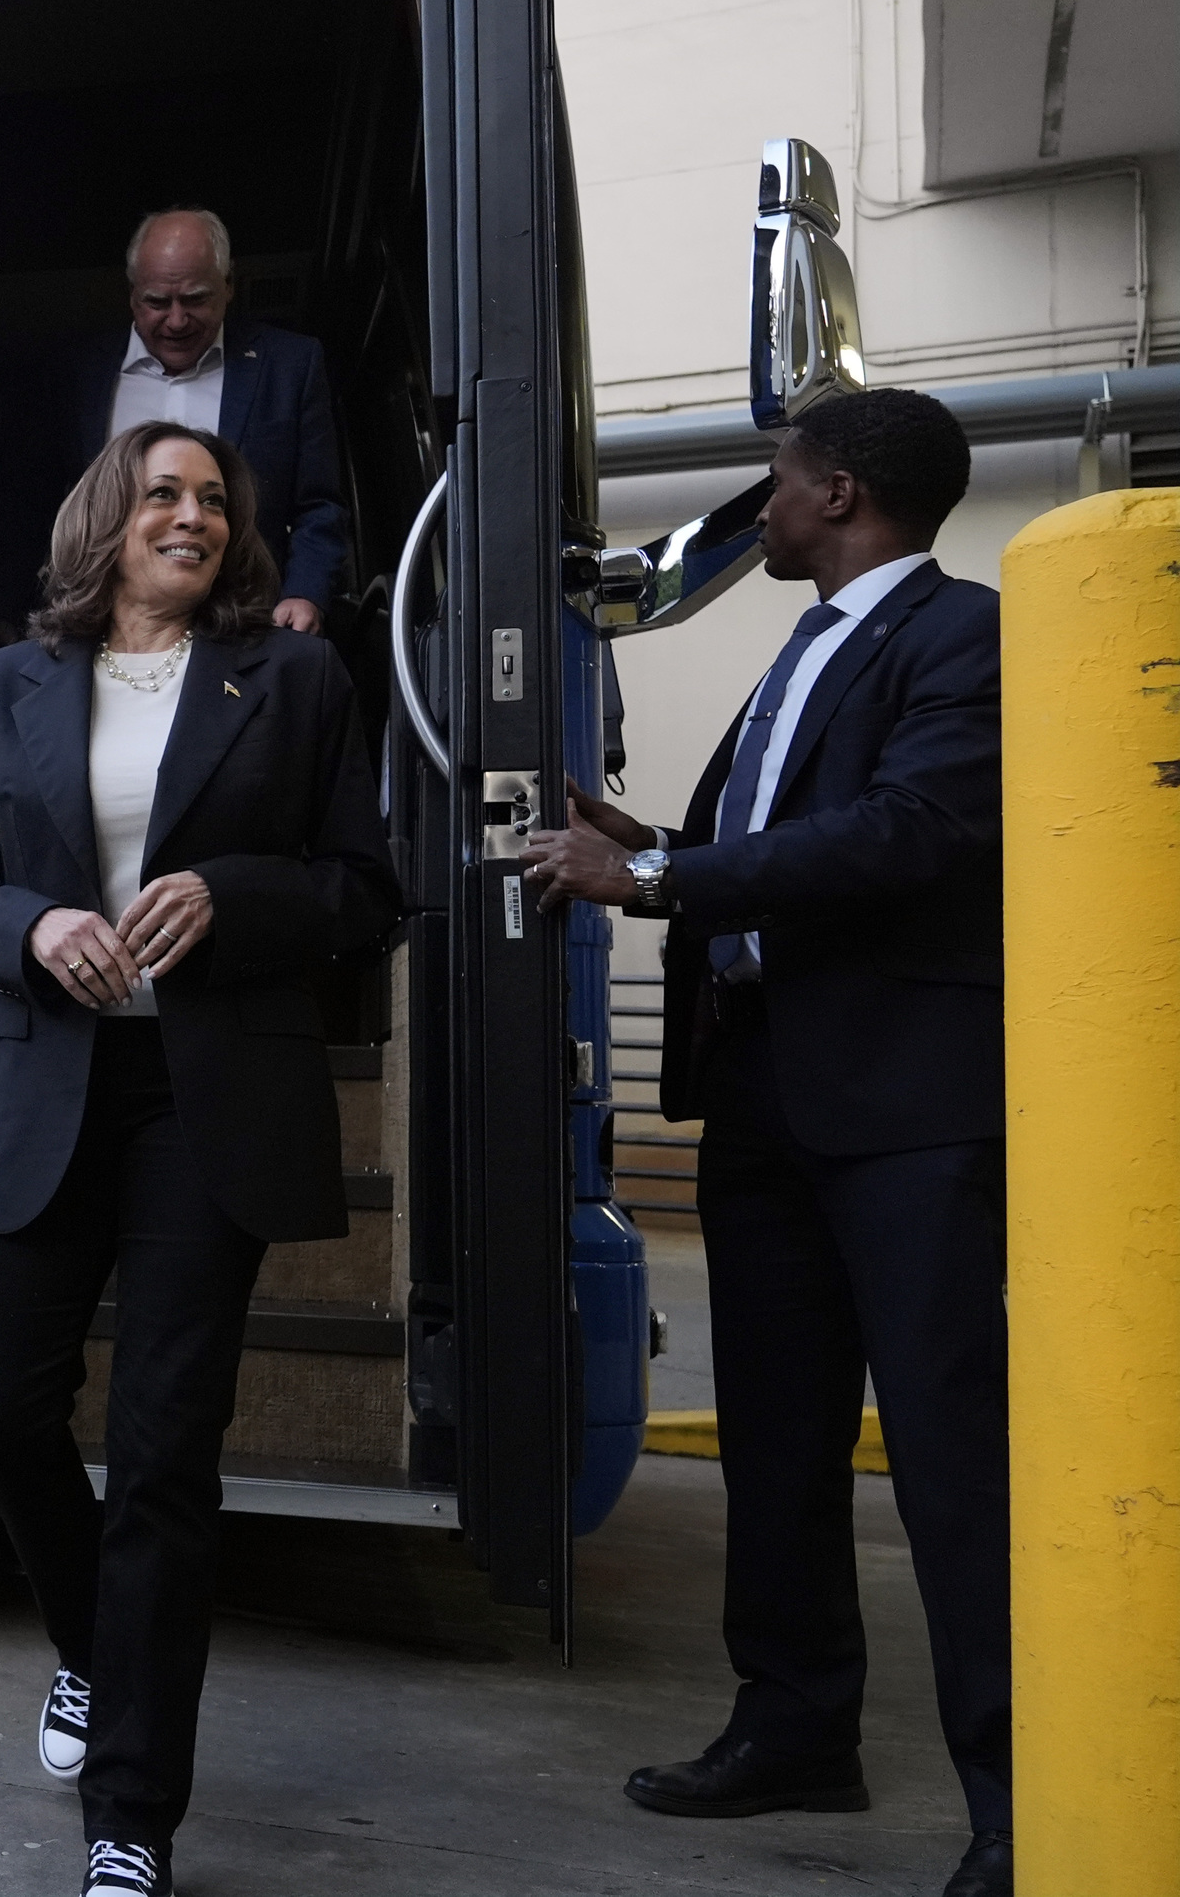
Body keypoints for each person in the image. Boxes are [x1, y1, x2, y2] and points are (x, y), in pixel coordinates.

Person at [522, 389, 1007, 1897]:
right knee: (781, 1441)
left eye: (778, 485)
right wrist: (643, 829)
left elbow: (908, 833)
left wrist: (655, 871)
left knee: (945, 1458)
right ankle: (796, 1724)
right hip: (767, 1103)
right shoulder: (804, 648)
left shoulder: (967, 634)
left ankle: (1019, 1802)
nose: (763, 508)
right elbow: (775, 830)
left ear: (841, 494)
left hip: (905, 1115)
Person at [0, 420, 396, 1896]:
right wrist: (32, 925)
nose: (191, 515)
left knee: (168, 1458)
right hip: (38, 1083)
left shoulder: (297, 678)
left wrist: (230, 894)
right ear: (106, 521)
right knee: (2, 1412)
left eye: (213, 498)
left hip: (207, 1099)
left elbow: (364, 894)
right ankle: (89, 1648)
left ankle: (130, 1814)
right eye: (162, 494)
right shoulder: (5, 683)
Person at [45, 209, 350, 634]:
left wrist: (305, 592)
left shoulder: (290, 366)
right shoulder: (79, 372)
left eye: (195, 299)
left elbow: (319, 505)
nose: (176, 320)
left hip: (249, 625)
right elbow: (39, 501)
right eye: (156, 302)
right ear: (132, 295)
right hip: (103, 626)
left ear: (228, 287)